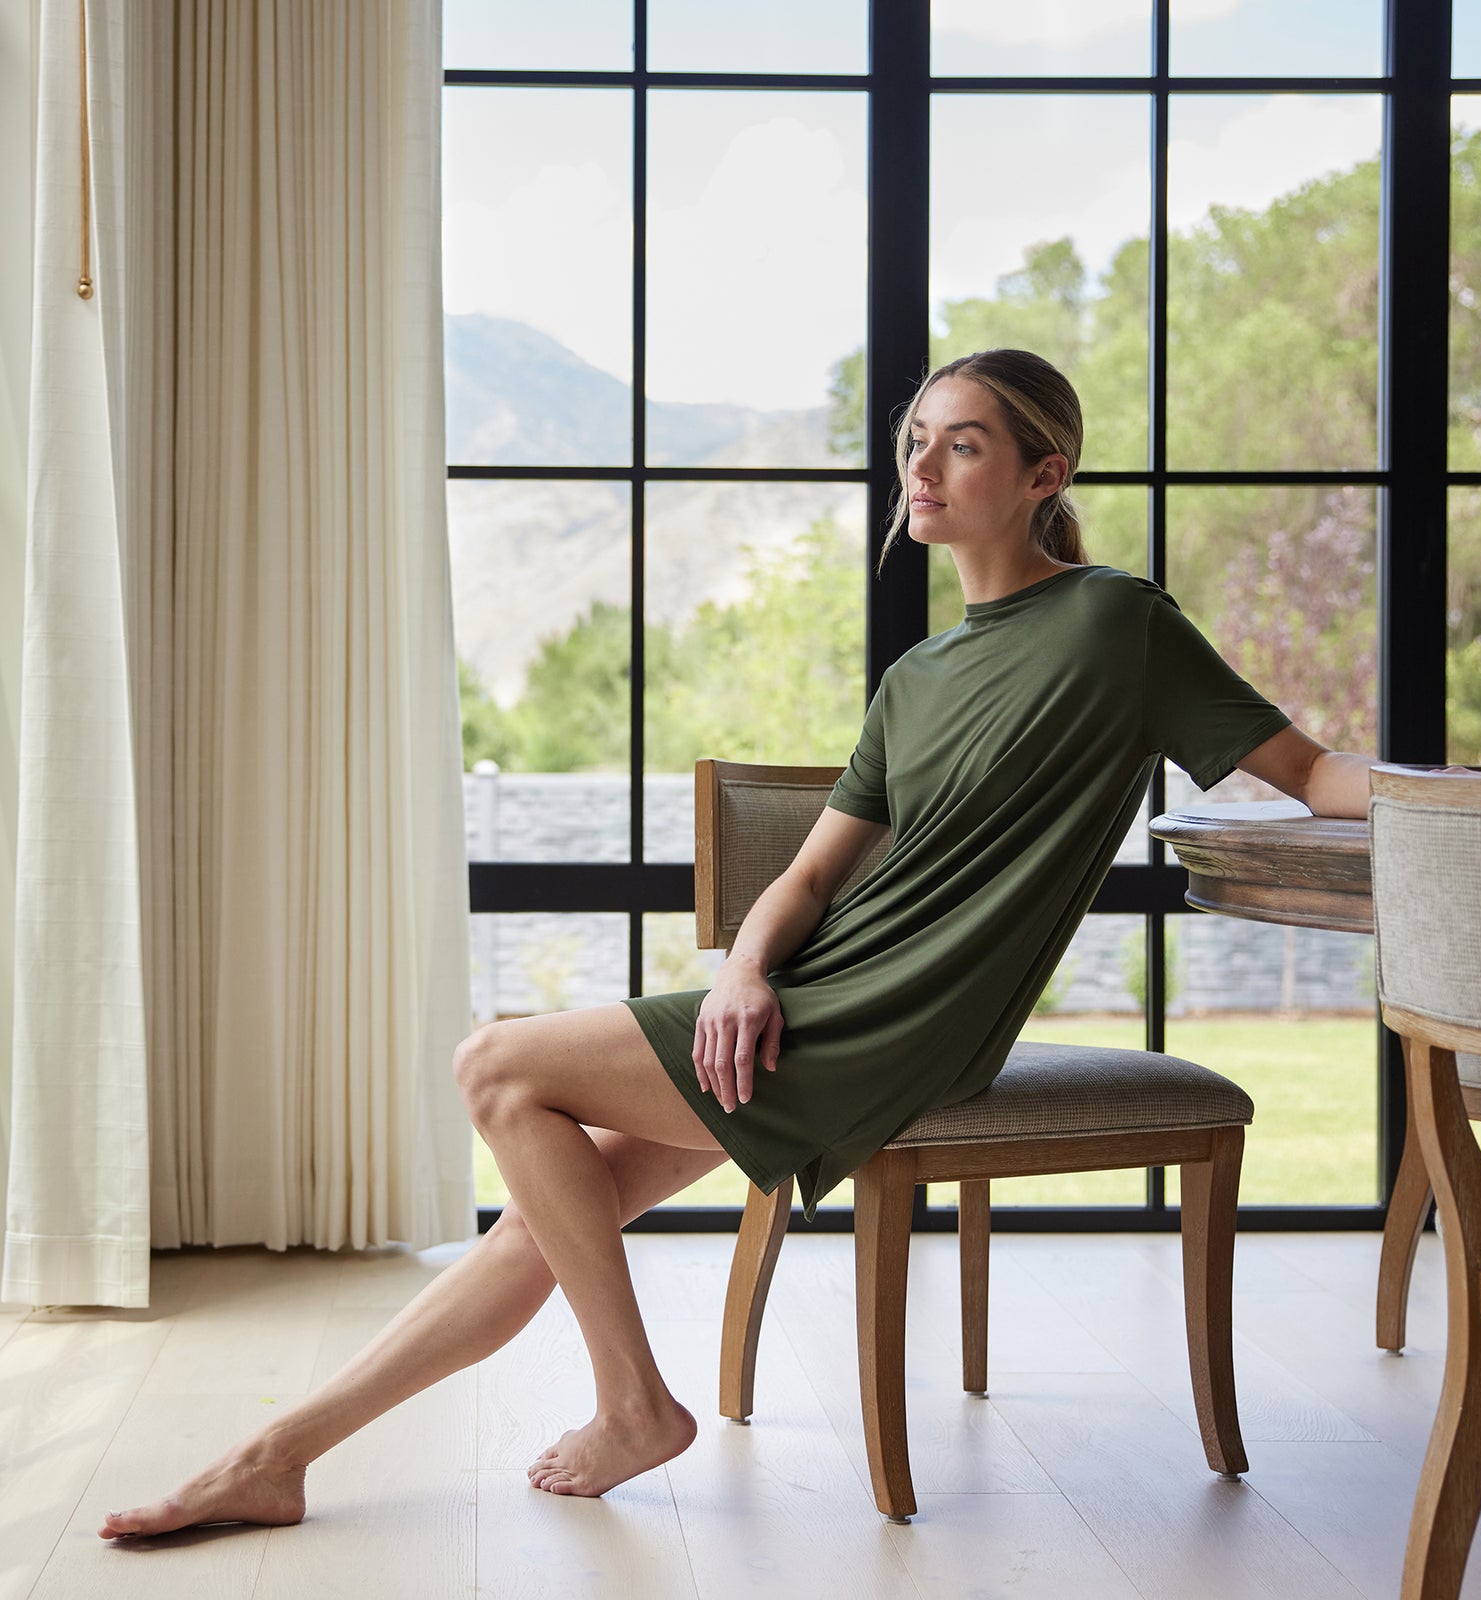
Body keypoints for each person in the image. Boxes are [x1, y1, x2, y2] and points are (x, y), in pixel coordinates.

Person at [100, 348, 1376, 1540]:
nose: (921, 469)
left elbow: (1313, 769)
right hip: (816, 992)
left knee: (497, 1063)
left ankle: (632, 1407)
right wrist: (744, 968)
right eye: (915, 441)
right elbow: (811, 875)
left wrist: (1474, 797)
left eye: (964, 446)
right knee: (545, 1217)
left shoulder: (1116, 624)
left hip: (905, 1021)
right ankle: (281, 1456)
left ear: (1045, 477)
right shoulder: (916, 679)